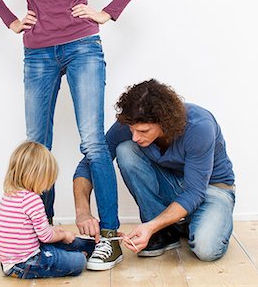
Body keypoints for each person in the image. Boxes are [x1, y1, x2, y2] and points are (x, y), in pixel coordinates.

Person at [0, 0, 144, 270]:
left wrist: (106, 13)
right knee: (38, 143)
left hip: (83, 46)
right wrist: (12, 21)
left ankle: (108, 237)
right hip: (37, 52)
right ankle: (42, 230)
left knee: (93, 141)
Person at [73, 79, 235, 262]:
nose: (135, 137)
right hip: (174, 186)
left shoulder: (199, 126)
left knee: (207, 250)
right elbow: (88, 164)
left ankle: (192, 223)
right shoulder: (133, 124)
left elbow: (194, 192)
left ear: (164, 122)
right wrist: (82, 211)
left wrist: (150, 227)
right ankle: (166, 232)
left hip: (211, 190)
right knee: (126, 150)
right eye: (132, 130)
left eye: (143, 131)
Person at [0, 141, 96, 279]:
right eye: (48, 179)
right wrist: (64, 235)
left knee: (62, 241)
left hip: (9, 262)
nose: (48, 186)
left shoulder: (9, 195)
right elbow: (46, 237)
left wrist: (56, 231)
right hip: (25, 263)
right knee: (79, 262)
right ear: (36, 176)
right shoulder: (32, 199)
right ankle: (85, 252)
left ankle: (90, 247)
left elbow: (34, 230)